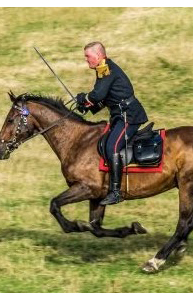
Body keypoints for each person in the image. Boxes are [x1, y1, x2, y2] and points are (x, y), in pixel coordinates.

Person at [75, 41, 148, 205]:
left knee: (112, 146)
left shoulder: (106, 69)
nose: (86, 60)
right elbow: (106, 98)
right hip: (119, 117)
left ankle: (116, 192)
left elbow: (98, 94)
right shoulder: (103, 69)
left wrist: (84, 98)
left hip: (129, 116)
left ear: (99, 55)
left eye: (88, 56)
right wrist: (87, 107)